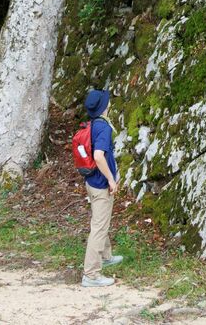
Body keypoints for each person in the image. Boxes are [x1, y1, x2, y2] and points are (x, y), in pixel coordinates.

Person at [81, 88, 124, 287]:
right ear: (105, 106)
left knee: (101, 221)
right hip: (101, 184)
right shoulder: (103, 128)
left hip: (91, 182)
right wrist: (111, 180)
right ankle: (91, 275)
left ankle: (106, 257)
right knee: (99, 227)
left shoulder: (92, 125)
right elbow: (98, 156)